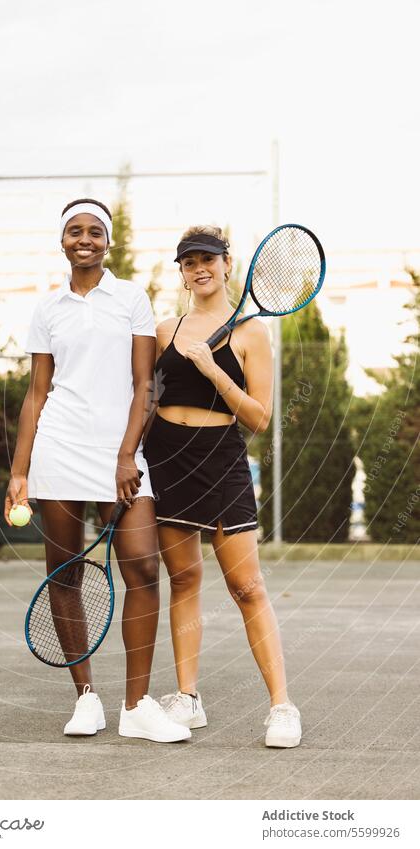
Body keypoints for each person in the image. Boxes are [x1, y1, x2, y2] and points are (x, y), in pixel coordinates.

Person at [5, 199, 189, 743]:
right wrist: (20, 471)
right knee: (63, 576)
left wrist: (126, 454)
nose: (84, 238)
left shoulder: (131, 297)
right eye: (73, 231)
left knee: (142, 569)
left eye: (94, 232)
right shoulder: (48, 309)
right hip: (57, 450)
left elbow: (145, 385)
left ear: (107, 243)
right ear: (63, 242)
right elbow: (38, 394)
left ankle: (136, 706)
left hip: (120, 455)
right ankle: (86, 697)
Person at [143, 225, 302, 747]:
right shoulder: (165, 330)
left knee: (247, 587)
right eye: (188, 262)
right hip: (166, 458)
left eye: (207, 258)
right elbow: (144, 398)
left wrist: (214, 371)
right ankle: (187, 699)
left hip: (221, 460)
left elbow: (259, 418)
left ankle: (282, 707)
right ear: (182, 272)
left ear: (228, 263)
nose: (199, 268)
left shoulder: (253, 334)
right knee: (184, 581)